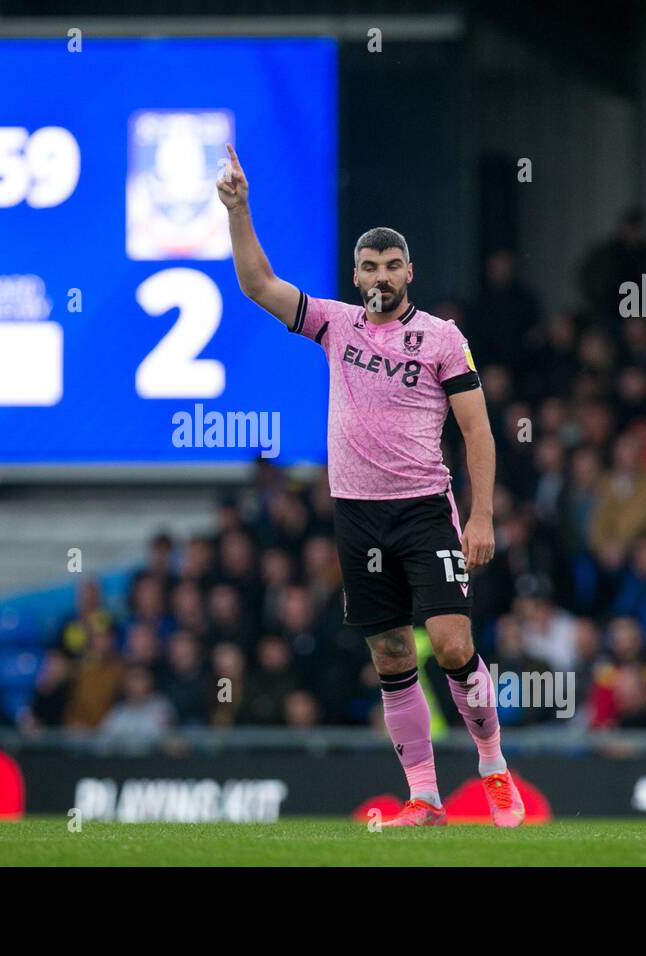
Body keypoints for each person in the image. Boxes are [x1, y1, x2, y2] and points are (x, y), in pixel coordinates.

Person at [217, 144, 524, 827]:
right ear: (355, 274)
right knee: (389, 653)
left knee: (449, 643)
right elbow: (258, 285)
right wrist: (239, 209)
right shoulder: (335, 324)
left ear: (408, 272)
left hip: (424, 510)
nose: (381, 274)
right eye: (369, 265)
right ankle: (423, 797)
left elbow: (477, 431)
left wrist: (480, 516)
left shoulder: (443, 338)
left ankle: (494, 764)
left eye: (392, 264)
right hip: (357, 514)